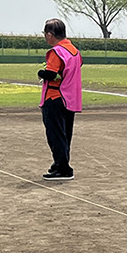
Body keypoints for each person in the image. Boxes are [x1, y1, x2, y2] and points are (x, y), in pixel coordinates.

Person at [37, 19, 82, 181]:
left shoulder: (57, 51)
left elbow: (51, 73)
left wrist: (40, 73)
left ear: (50, 34)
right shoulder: (74, 51)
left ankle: (64, 168)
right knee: (65, 134)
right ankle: (60, 163)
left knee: (55, 134)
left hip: (55, 97)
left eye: (45, 34)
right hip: (70, 98)